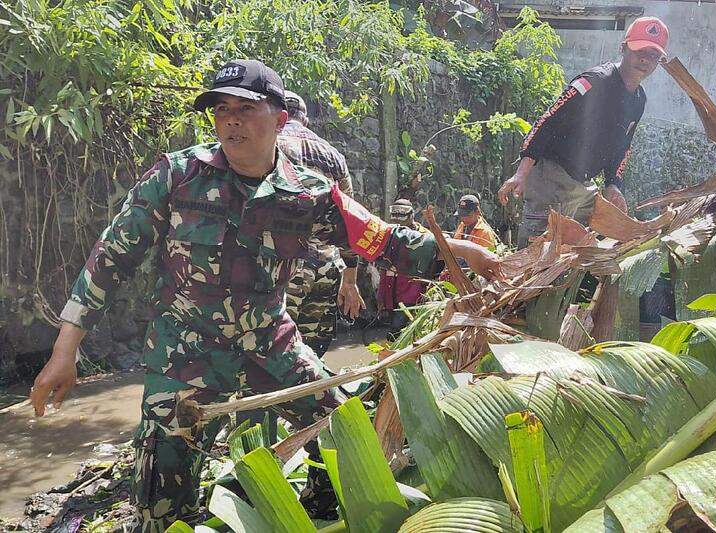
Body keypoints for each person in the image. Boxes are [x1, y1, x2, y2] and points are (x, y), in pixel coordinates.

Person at [28, 59, 501, 532]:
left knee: (346, 428)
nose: (230, 119)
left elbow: (383, 241)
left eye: (246, 107)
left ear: (280, 119)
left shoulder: (309, 193)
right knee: (159, 506)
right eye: (221, 109)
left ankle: (322, 510)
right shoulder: (178, 176)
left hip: (271, 348)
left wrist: (456, 251)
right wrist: (65, 350)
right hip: (184, 359)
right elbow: (110, 256)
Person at [497, 16, 669, 247]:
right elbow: (548, 120)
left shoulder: (639, 99)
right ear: (623, 47)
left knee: (576, 254)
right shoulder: (594, 82)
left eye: (653, 55)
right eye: (640, 51)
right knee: (535, 252)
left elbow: (623, 146)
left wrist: (613, 184)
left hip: (582, 185)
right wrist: (521, 172)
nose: (645, 60)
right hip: (552, 176)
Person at [279, 90, 363, 357]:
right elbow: (350, 218)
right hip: (327, 265)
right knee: (311, 354)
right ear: (305, 119)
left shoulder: (269, 144)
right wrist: (350, 279)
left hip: (285, 264)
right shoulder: (333, 155)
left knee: (274, 347)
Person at [377, 199, 428, 332]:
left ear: (412, 215)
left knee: (396, 332)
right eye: (395, 219)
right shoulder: (389, 234)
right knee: (395, 333)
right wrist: (381, 294)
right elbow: (384, 267)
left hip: (412, 294)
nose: (398, 223)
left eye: (402, 218)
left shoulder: (425, 238)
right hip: (391, 293)